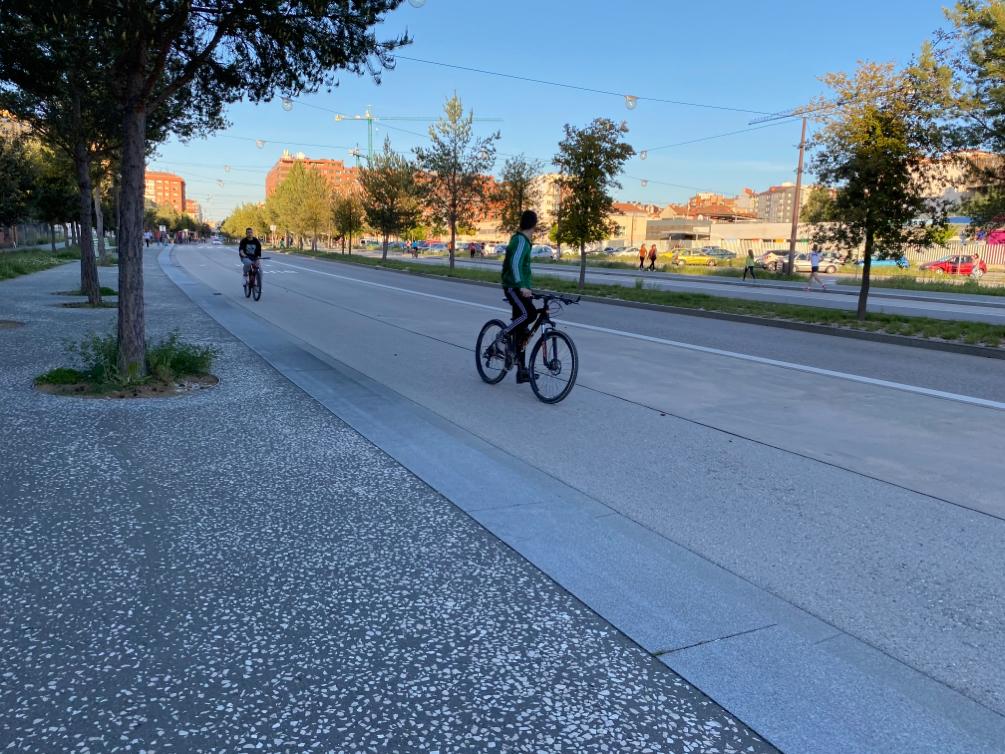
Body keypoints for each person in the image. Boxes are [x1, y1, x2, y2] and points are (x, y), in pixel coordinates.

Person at [501, 210, 538, 384]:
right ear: (534, 225)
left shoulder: (523, 241)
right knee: (529, 314)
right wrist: (521, 285)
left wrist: (528, 287)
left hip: (521, 288)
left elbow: (523, 267)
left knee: (523, 330)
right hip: (513, 287)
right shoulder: (521, 241)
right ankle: (505, 333)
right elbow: (515, 264)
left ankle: (521, 371)